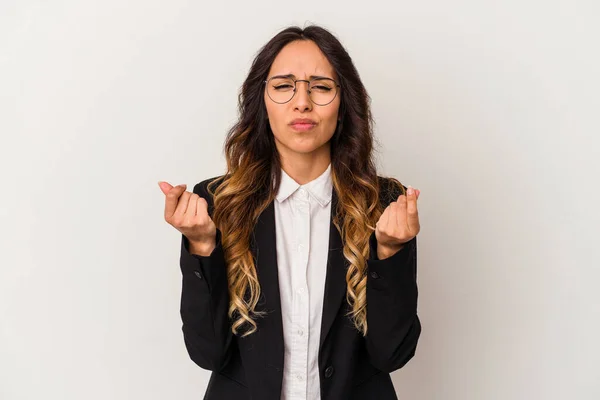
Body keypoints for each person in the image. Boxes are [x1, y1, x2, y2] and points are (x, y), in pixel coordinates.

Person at [159, 24, 422, 400]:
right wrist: (201, 245)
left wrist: (390, 254)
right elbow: (208, 353)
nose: (302, 102)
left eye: (320, 86)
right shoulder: (218, 201)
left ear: (344, 103)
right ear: (261, 102)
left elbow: (391, 354)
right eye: (284, 86)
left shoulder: (383, 202)